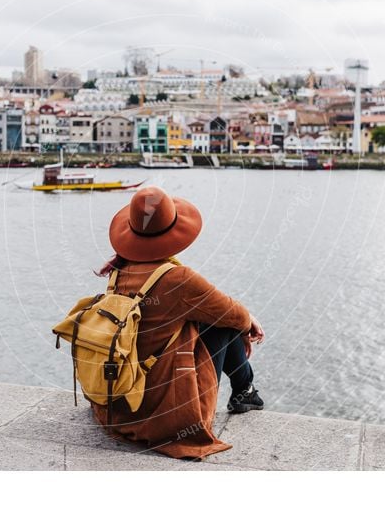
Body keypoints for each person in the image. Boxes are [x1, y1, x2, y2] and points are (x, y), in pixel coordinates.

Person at [91, 185, 264, 459]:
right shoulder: (177, 279)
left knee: (213, 317)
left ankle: (246, 389)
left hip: (120, 402)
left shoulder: (119, 270)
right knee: (225, 322)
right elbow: (234, 315)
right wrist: (247, 323)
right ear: (174, 231)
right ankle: (245, 389)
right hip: (161, 412)